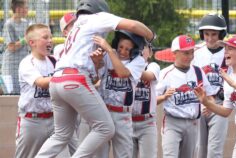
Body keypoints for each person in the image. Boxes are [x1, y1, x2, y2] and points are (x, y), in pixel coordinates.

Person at [35, 0, 155, 157]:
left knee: (61, 134)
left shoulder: (76, 25)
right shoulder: (97, 17)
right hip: (75, 79)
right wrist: (151, 36)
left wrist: (97, 62)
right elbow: (132, 26)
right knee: (106, 128)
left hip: (57, 80)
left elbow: (99, 73)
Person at [156, 35, 214, 158]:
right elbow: (152, 100)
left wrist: (209, 105)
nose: (190, 56)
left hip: (193, 123)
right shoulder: (165, 74)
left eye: (191, 52)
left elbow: (210, 96)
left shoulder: (198, 72)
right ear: (174, 53)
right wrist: (164, 97)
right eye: (185, 53)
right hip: (172, 122)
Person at [93, 30, 147, 158]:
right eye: (121, 47)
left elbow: (123, 73)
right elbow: (95, 78)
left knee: (123, 154)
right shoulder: (108, 55)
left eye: (128, 49)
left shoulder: (138, 61)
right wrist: (97, 62)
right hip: (103, 112)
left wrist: (110, 51)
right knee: (99, 153)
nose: (122, 51)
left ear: (135, 51)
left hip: (122, 115)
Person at [192, 13, 228, 158]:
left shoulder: (228, 53)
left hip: (220, 104)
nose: (210, 38)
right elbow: (192, 78)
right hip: (200, 104)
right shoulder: (197, 53)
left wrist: (216, 97)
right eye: (206, 34)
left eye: (214, 34)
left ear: (222, 34)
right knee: (200, 150)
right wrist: (204, 100)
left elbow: (233, 79)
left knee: (214, 151)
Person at [15, 23, 54, 158]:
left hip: (54, 119)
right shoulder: (27, 63)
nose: (50, 40)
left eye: (50, 37)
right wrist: (64, 76)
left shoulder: (54, 61)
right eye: (45, 37)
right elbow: (41, 83)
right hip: (32, 121)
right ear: (32, 43)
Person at [52, 12, 80, 156]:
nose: (78, 26)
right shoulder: (59, 49)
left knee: (79, 140)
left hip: (81, 99)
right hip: (65, 99)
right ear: (65, 32)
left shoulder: (87, 44)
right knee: (65, 139)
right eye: (73, 25)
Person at [132, 44, 160, 158]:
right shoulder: (125, 66)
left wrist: (127, 68)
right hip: (127, 120)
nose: (140, 50)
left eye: (144, 47)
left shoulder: (153, 66)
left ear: (151, 52)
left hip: (147, 122)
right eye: (137, 45)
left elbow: (149, 76)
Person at [1, 0, 30, 94]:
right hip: (11, 66)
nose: (27, 10)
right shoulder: (9, 24)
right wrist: (25, 39)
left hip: (23, 63)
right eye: (26, 8)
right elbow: (11, 47)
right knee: (10, 94)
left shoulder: (26, 23)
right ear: (18, 9)